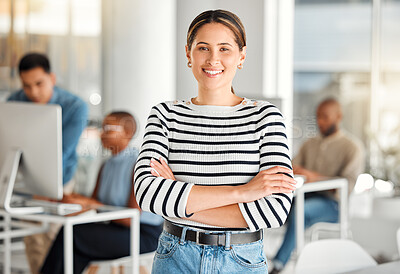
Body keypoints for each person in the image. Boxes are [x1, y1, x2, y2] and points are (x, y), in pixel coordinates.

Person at [134, 9, 296, 273]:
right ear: (188, 53)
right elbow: (147, 194)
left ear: (241, 56)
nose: (213, 59)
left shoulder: (266, 117)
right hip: (175, 257)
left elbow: (274, 211)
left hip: (241, 260)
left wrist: (178, 197)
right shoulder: (165, 115)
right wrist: (241, 193)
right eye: (203, 48)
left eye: (224, 49)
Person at [41, 111, 164, 274]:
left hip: (142, 234)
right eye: (102, 128)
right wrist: (69, 199)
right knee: (73, 244)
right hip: (115, 229)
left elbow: (130, 218)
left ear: (127, 133)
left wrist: (91, 204)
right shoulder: (106, 165)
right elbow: (95, 203)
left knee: (73, 235)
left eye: (109, 128)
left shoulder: (139, 163)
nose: (102, 133)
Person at [7, 52, 88, 274]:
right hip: (27, 184)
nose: (33, 92)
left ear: (52, 78)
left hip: (60, 182)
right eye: (26, 85)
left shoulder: (75, 107)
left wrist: (46, 185)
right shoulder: (14, 102)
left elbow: (62, 151)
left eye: (38, 84)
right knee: (33, 242)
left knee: (56, 241)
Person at [270, 98, 365, 274]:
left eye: (325, 117)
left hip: (334, 205)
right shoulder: (309, 144)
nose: (320, 121)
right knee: (275, 205)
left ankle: (278, 264)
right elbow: (291, 166)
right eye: (318, 116)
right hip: (305, 198)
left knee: (302, 210)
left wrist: (314, 177)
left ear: (339, 116)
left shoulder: (352, 148)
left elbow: (347, 185)